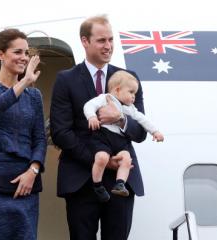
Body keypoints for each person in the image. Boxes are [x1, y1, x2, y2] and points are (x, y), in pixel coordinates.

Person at [50, 15, 147, 240]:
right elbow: (61, 132)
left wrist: (120, 120)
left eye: (111, 39)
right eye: (102, 40)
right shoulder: (66, 80)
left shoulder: (129, 79)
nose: (108, 46)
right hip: (81, 178)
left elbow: (140, 131)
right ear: (84, 41)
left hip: (120, 182)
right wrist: (97, 160)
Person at [0, 28, 47, 240]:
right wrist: (24, 82)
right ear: (0, 54)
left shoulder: (34, 96)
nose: (23, 58)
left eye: (26, 53)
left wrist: (33, 171)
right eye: (17, 52)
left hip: (26, 182)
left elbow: (39, 139)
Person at [83, 70, 164, 202]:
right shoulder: (105, 98)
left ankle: (120, 184)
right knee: (101, 158)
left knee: (127, 160)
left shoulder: (130, 108)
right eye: (131, 92)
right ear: (118, 90)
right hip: (103, 137)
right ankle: (97, 185)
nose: (134, 97)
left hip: (119, 140)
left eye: (135, 94)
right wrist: (91, 116)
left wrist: (155, 131)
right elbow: (89, 105)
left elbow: (143, 119)